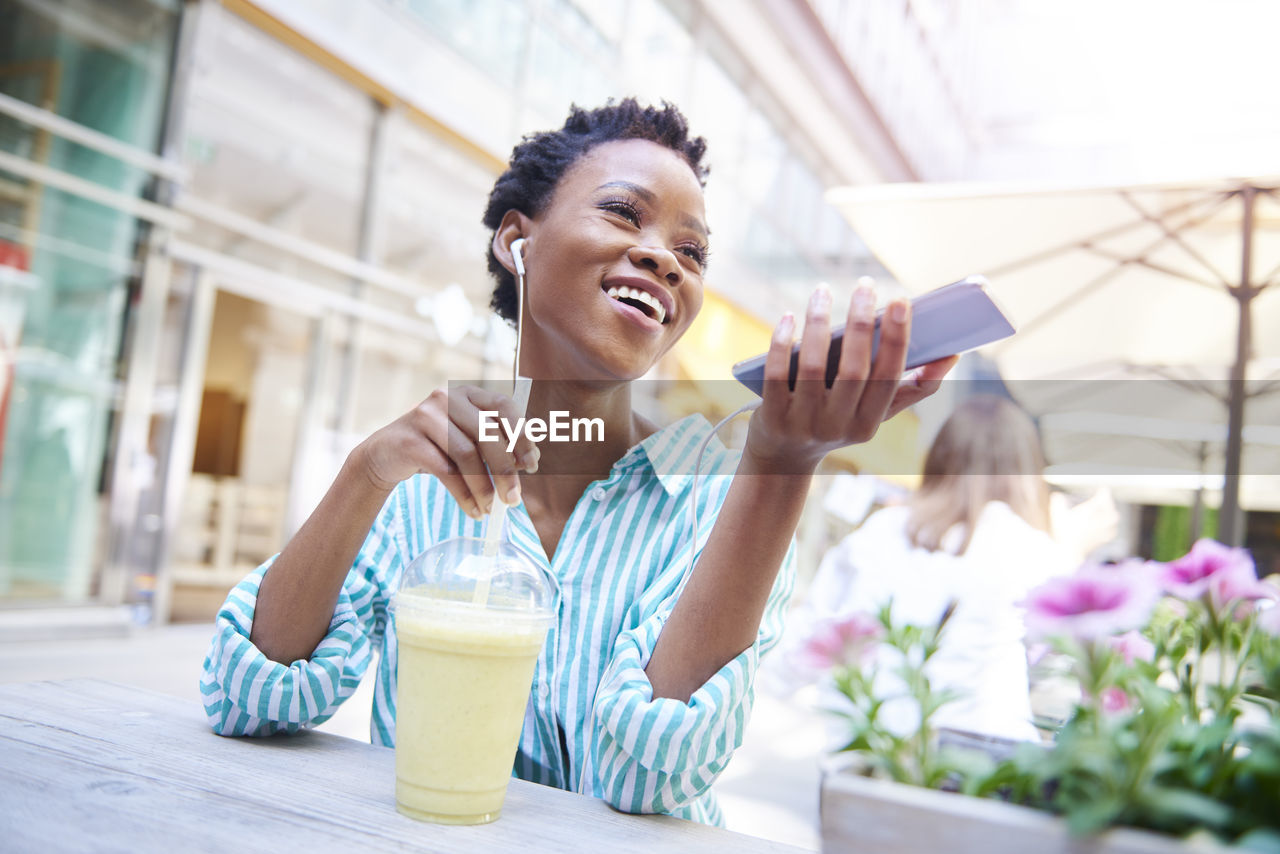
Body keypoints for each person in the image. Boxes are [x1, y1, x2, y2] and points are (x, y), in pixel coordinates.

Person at [199, 99, 955, 824]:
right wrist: (367, 472)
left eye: (691, 252)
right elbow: (247, 700)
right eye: (624, 212)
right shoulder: (418, 485)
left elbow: (651, 777)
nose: (664, 258)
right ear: (517, 241)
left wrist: (783, 462)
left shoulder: (717, 494)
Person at [799, 394, 1076, 743]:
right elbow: (1064, 664)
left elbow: (809, 635)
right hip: (981, 760)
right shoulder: (1033, 550)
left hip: (870, 748)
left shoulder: (882, 529)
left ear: (940, 458)